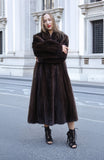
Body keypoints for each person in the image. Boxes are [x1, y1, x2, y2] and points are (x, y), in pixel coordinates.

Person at [28, 13, 78, 149]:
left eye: (49, 19)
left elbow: (61, 58)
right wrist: (57, 48)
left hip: (60, 75)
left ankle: (72, 135)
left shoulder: (63, 37)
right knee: (45, 103)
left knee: (67, 105)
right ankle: (47, 132)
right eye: (45, 21)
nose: (47, 22)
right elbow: (38, 52)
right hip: (43, 76)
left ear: (53, 20)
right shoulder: (37, 37)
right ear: (42, 23)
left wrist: (45, 54)